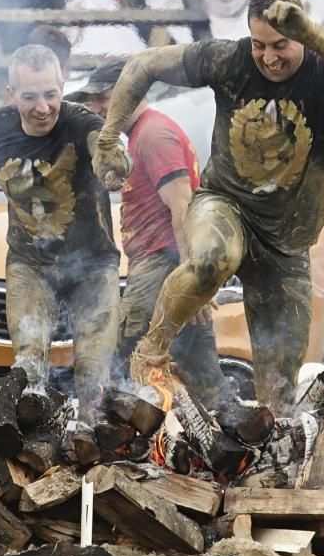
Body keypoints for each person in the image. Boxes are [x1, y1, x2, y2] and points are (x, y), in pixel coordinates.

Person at [93, 0, 324, 414]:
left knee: (279, 394)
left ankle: (268, 463)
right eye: (260, 45)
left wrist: (313, 34)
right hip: (225, 204)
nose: (268, 58)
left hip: (287, 241)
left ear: (301, 36)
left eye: (281, 44)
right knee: (212, 257)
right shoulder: (228, 59)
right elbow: (143, 64)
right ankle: (151, 352)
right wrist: (108, 133)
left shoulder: (323, 70)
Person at [0, 45, 130, 420]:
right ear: (11, 95)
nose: (43, 108)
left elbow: (106, 150)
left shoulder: (82, 122)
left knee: (94, 376)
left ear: (62, 87)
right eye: (30, 97)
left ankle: (93, 447)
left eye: (51, 95)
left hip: (93, 264)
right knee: (29, 369)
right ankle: (34, 450)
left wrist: (114, 165)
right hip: (31, 264)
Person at [71, 59, 226, 407]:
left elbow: (182, 207)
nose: (96, 107)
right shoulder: (141, 134)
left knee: (125, 356)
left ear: (132, 92)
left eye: (102, 97)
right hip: (166, 265)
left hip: (162, 266)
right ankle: (233, 435)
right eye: (92, 100)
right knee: (203, 374)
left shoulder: (154, 134)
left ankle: (118, 439)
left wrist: (192, 279)